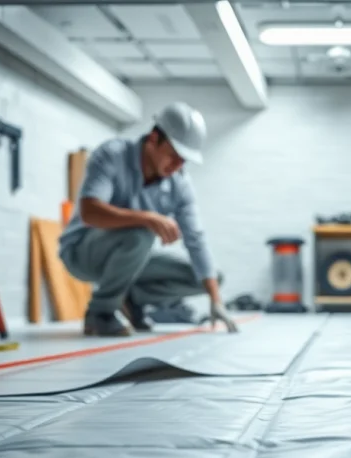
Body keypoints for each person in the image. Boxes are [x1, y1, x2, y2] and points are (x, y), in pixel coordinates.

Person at [58, 101, 239, 337]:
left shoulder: (179, 185)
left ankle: (132, 301)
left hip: (131, 258)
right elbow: (90, 212)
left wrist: (216, 301)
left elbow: (196, 240)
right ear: (154, 138)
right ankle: (100, 312)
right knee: (141, 233)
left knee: (209, 276)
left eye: (184, 161)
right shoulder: (113, 155)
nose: (177, 166)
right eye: (174, 155)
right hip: (83, 252)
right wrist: (147, 217)